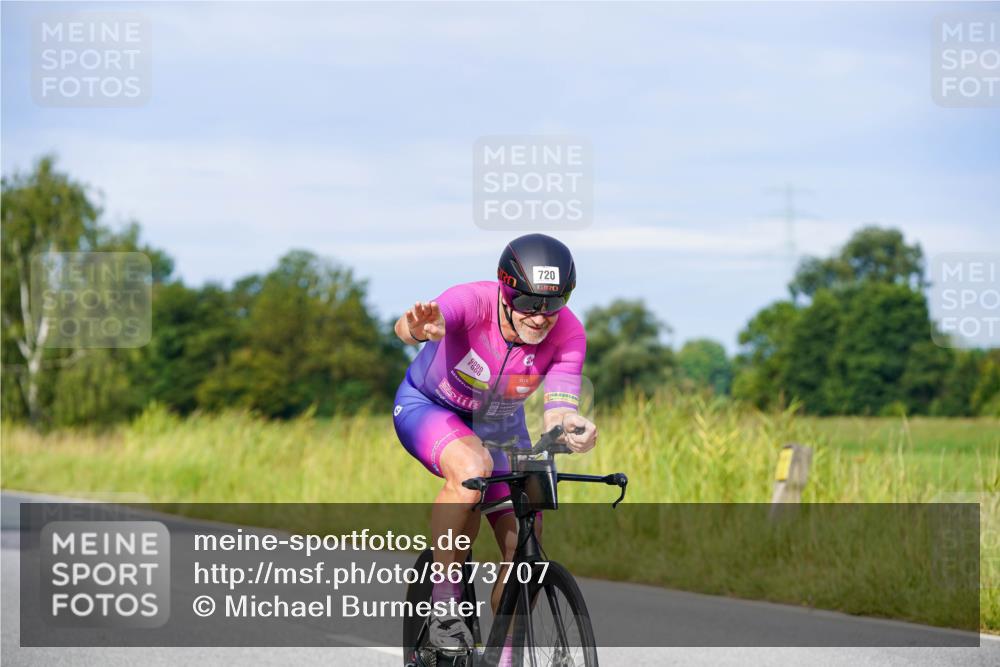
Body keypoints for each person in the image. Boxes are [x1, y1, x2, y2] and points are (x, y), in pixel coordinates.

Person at [392, 233, 598, 663]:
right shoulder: (472, 301)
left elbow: (560, 408)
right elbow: (412, 327)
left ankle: (503, 654)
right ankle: (445, 609)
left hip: (501, 426)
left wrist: (572, 427)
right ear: (505, 291)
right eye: (528, 302)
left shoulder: (570, 333)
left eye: (554, 303)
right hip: (429, 408)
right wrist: (416, 327)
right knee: (472, 466)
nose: (541, 317)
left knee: (527, 540)